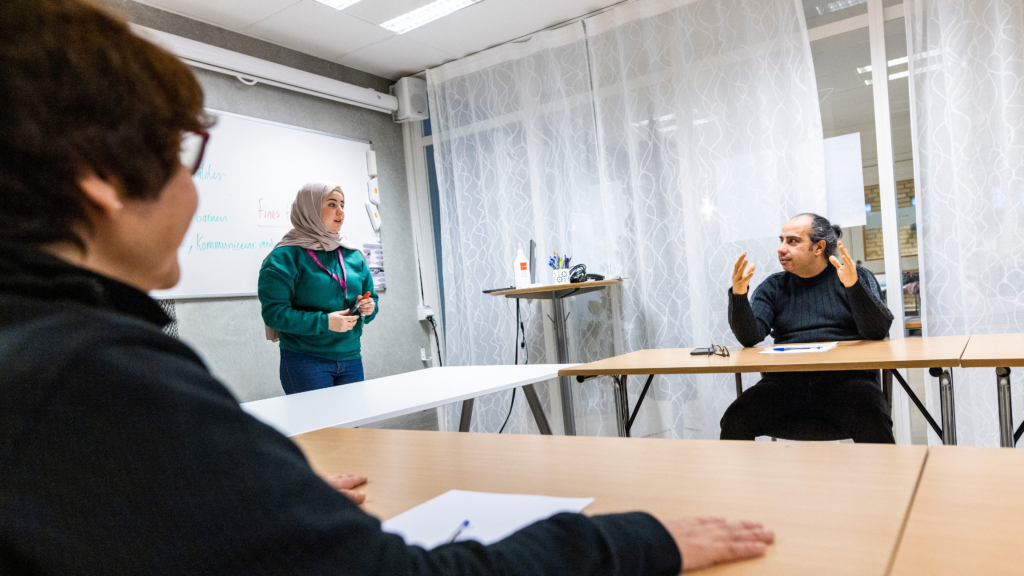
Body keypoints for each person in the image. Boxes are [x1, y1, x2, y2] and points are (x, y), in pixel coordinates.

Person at [0, 0, 774, 574]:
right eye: (180, 153)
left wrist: (249, 500)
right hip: (310, 357)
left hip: (351, 352)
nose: (188, 188)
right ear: (100, 178)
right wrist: (638, 540)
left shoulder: (44, 350)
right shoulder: (95, 371)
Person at [722, 213, 896, 443]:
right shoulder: (773, 287)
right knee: (736, 417)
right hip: (785, 385)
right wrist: (739, 295)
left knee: (872, 417)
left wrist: (853, 287)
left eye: (792, 241)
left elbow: (877, 332)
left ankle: (888, 480)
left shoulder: (854, 276)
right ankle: (737, 481)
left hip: (849, 383)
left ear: (818, 247)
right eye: (781, 240)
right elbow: (749, 337)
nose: (781, 249)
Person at [258, 181, 379, 394]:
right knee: (318, 427)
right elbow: (274, 314)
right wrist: (325, 322)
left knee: (354, 427)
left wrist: (369, 307)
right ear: (310, 209)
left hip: (351, 356)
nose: (340, 211)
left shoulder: (352, 253)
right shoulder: (284, 257)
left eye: (342, 204)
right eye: (332, 204)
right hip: (305, 360)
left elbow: (372, 298)